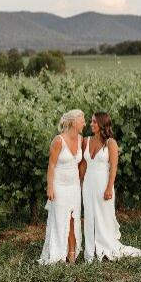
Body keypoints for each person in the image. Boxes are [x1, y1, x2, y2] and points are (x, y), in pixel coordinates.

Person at [81, 112, 141, 262]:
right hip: (88, 184)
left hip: (103, 183)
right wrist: (77, 183)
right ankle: (92, 251)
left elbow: (114, 167)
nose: (91, 124)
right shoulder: (86, 141)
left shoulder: (111, 143)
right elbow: (84, 165)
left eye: (94, 122)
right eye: (91, 122)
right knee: (90, 216)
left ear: (102, 124)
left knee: (104, 216)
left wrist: (109, 188)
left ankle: (106, 248)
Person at [38, 109, 84, 264]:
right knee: (59, 218)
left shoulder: (80, 139)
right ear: (73, 122)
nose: (84, 123)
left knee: (73, 218)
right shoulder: (58, 141)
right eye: (82, 120)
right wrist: (50, 187)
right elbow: (51, 165)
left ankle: (71, 253)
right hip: (59, 185)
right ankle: (57, 253)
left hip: (74, 185)